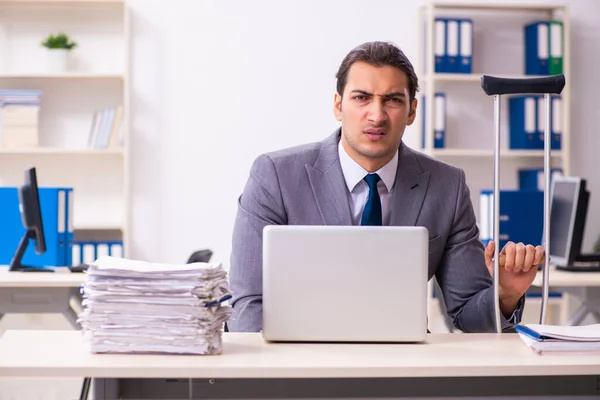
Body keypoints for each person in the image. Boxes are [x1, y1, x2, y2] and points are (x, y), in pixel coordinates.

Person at [228, 41, 545, 333]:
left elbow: (467, 315)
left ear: (412, 111)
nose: (376, 115)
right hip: (302, 361)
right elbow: (249, 304)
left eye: (392, 100)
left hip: (402, 366)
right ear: (339, 106)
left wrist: (504, 294)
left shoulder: (446, 186)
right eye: (361, 98)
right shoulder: (275, 176)